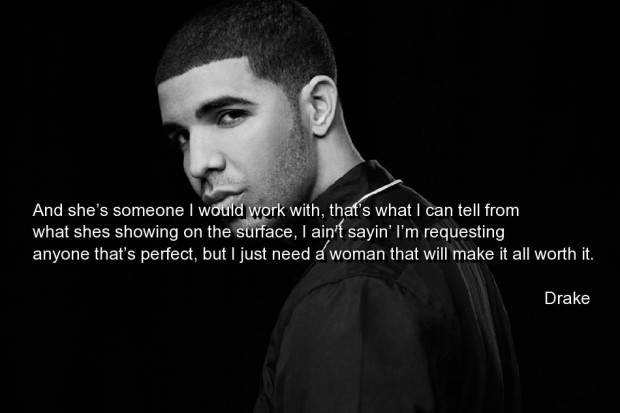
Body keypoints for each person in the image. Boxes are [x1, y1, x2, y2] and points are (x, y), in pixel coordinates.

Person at [155, 0, 520, 412]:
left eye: (229, 116)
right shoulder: (420, 224)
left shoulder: (355, 290)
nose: (197, 163)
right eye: (181, 138)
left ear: (318, 106)